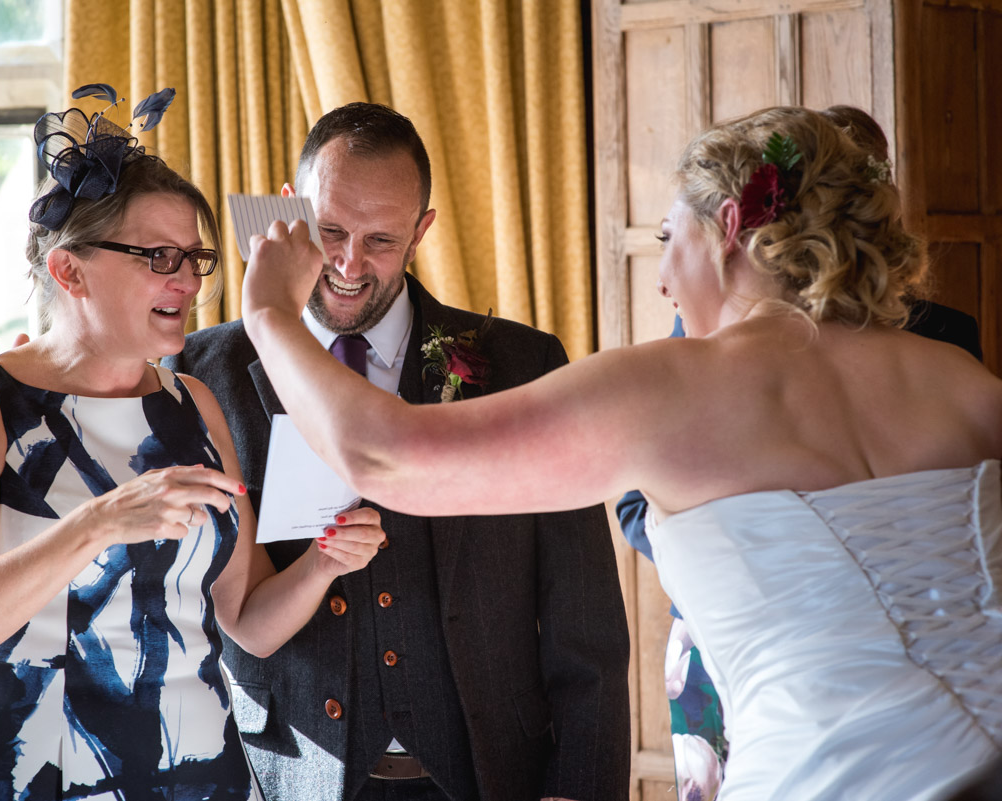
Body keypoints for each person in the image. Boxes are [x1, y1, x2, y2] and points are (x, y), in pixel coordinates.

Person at [238, 105, 1002, 800]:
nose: (665, 278)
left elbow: (383, 459)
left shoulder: (673, 385)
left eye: (671, 239)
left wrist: (269, 311)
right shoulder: (965, 384)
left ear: (730, 223)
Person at [0, 89, 385, 800]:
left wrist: (322, 563)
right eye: (160, 256)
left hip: (197, 773)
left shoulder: (195, 404)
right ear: (69, 270)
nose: (188, 281)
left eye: (196, 257)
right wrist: (102, 520)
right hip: (33, 769)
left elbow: (246, 619)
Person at [164, 103, 631, 801]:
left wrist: (579, 788)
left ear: (422, 231)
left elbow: (584, 616)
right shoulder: (201, 370)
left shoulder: (521, 362)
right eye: (330, 231)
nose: (349, 263)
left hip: (492, 773)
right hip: (284, 773)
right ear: (287, 211)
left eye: (380, 239)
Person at [613, 103, 988, 801]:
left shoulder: (946, 338)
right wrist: (736, 560)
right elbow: (636, 496)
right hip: (723, 629)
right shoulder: (698, 334)